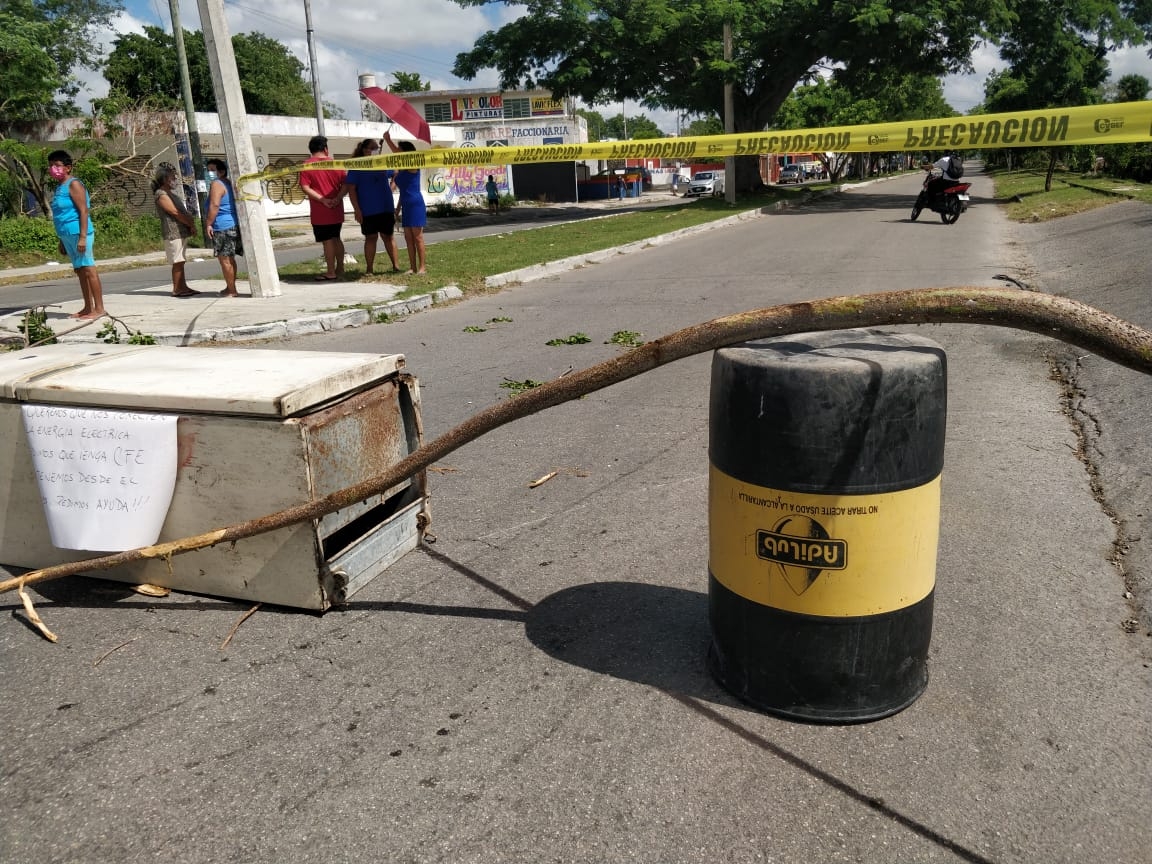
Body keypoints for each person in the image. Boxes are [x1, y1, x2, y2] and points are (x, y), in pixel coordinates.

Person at [47, 150, 106, 319]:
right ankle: (88, 307)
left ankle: (99, 309)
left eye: (57, 165)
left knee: (89, 269)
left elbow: (83, 211)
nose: (53, 168)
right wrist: (61, 240)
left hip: (79, 233)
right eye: (51, 165)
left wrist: (82, 237)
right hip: (66, 235)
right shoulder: (59, 187)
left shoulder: (74, 184)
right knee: (80, 270)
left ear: (68, 167)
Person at [342, 139, 399, 275]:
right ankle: (369, 269)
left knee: (388, 236)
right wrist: (357, 209)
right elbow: (351, 189)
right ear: (365, 150)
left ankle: (396, 266)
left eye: (377, 147)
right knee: (370, 237)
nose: (376, 150)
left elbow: (397, 172)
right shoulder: (357, 166)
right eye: (373, 148)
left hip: (385, 207)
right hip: (367, 209)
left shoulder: (382, 162)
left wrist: (391, 187)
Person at [299, 134, 347, 281]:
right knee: (336, 238)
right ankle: (340, 268)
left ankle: (331, 271)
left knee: (327, 241)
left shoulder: (307, 165)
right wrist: (337, 198)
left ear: (311, 150)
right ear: (326, 149)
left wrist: (322, 200)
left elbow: (305, 187)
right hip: (336, 208)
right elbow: (345, 184)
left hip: (320, 211)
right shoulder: (336, 164)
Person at [152, 165, 200, 298]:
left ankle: (183, 286)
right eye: (173, 177)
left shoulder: (171, 194)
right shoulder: (161, 194)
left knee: (181, 260)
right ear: (165, 179)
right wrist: (189, 223)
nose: (175, 180)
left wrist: (190, 225)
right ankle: (177, 288)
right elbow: (174, 212)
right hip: (173, 231)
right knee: (177, 261)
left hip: (182, 231)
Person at [383, 130, 427, 275]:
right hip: (406, 204)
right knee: (408, 238)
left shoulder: (413, 165)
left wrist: (388, 140)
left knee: (418, 237)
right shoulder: (401, 169)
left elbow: (398, 153)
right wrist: (397, 208)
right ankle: (412, 267)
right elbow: (402, 191)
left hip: (415, 203)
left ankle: (422, 267)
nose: (399, 154)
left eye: (401, 151)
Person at [204, 158, 243, 297]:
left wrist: (208, 223)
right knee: (230, 259)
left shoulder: (217, 184)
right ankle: (230, 287)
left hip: (222, 226)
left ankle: (232, 290)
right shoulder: (228, 183)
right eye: (208, 170)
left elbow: (214, 205)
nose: (209, 173)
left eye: (212, 170)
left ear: (221, 171)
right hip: (232, 224)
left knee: (225, 260)